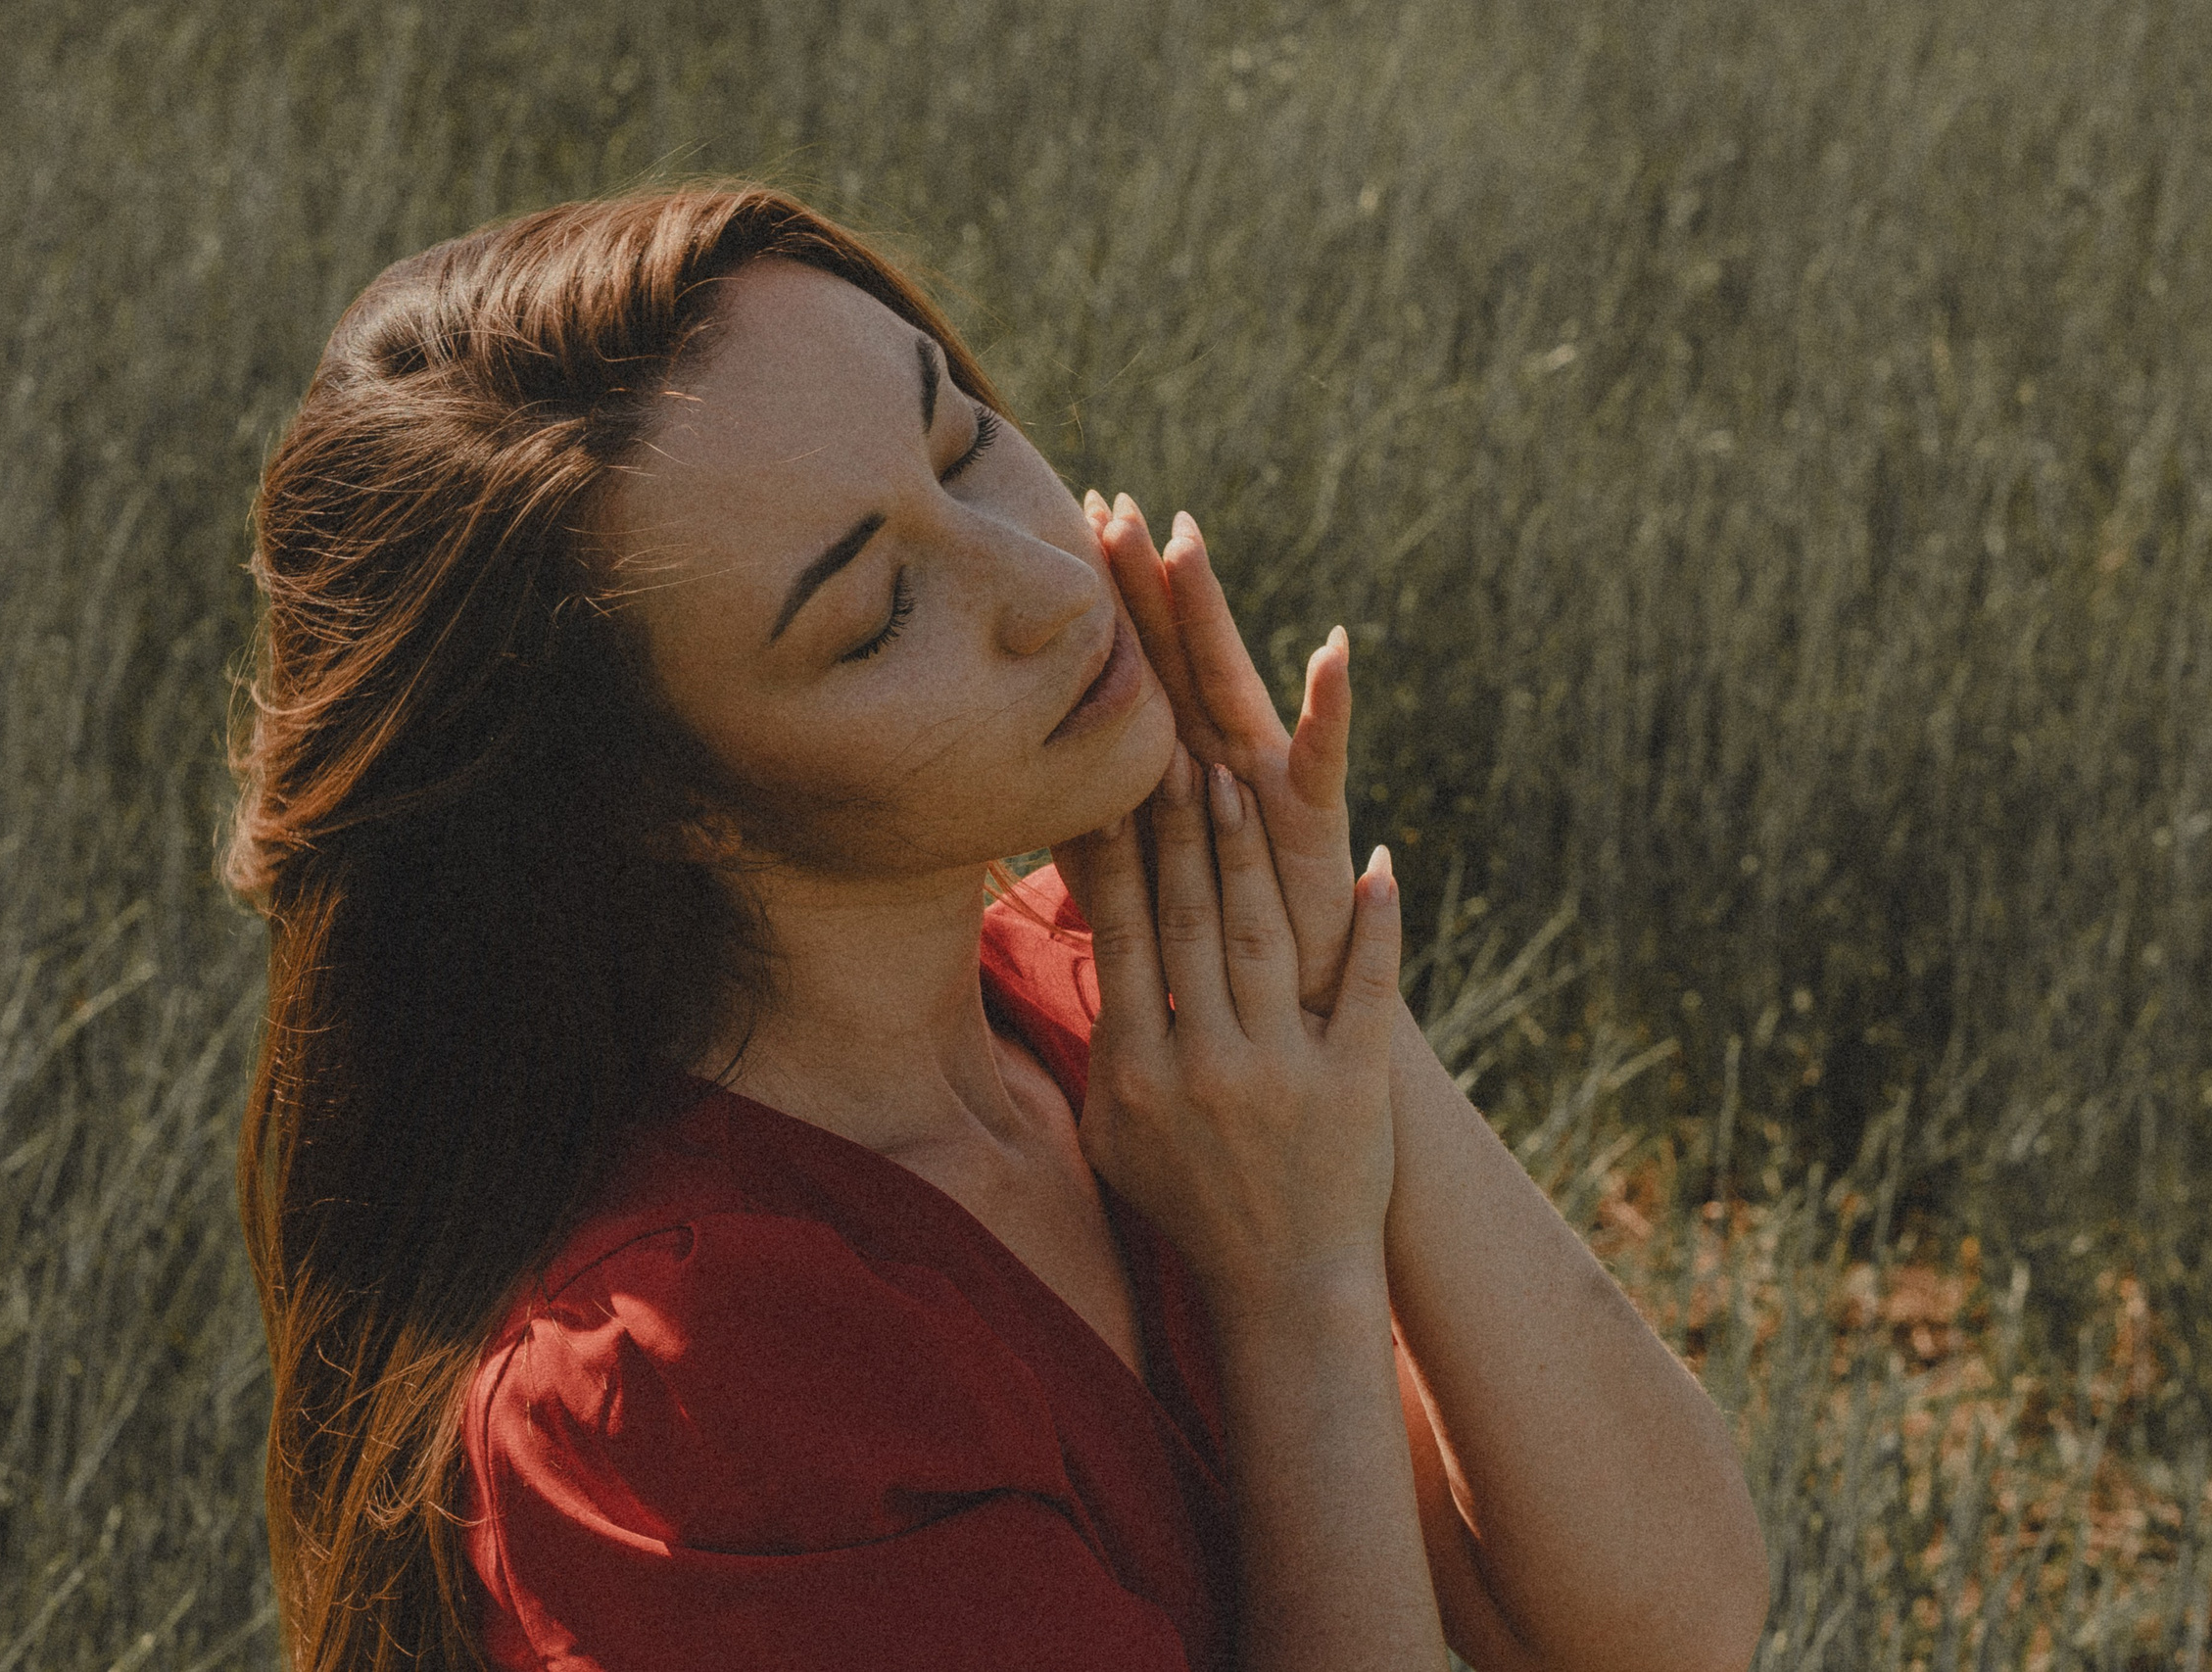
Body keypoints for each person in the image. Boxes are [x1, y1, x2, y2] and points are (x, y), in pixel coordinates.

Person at [221, 182, 1769, 1672]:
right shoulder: (690, 1393)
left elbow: (1667, 1628)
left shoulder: (1124, 1002)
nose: (1040, 581)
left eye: (961, 444)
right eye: (877, 612)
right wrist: (1292, 1286)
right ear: (654, 805)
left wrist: (1307, 974)